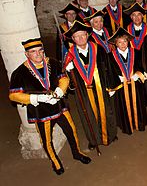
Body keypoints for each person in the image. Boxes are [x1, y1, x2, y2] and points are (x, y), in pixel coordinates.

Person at [9, 38, 91, 175]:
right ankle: (55, 161)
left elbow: (64, 78)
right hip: (40, 111)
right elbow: (13, 95)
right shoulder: (19, 72)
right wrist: (35, 98)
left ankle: (77, 153)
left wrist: (60, 90)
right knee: (47, 140)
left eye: (40, 50)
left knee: (71, 130)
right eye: (33, 52)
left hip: (59, 105)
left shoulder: (52, 62)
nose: (38, 54)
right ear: (26, 54)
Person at [64, 21, 117, 150]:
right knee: (88, 113)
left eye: (82, 35)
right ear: (73, 39)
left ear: (87, 35)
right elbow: (66, 81)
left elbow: (108, 68)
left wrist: (111, 86)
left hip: (101, 86)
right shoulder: (70, 55)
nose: (80, 38)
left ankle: (110, 135)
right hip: (82, 91)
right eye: (77, 36)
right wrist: (68, 71)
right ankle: (94, 139)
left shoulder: (98, 49)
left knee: (107, 111)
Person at [108, 27, 147, 134]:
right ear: (115, 44)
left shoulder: (136, 52)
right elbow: (109, 72)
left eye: (125, 41)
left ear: (128, 41)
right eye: (119, 42)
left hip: (136, 85)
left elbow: (142, 66)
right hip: (121, 87)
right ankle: (128, 127)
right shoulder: (110, 57)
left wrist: (137, 74)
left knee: (138, 104)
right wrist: (117, 78)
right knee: (124, 107)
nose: (122, 44)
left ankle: (140, 124)